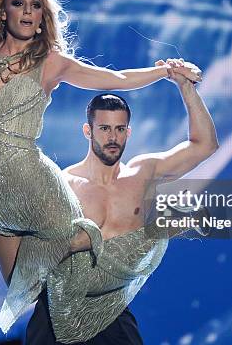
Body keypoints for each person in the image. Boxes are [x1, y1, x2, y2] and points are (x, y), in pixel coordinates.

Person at [0, 0, 202, 334]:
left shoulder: (51, 63)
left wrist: (165, 71)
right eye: (18, 3)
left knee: (78, 250)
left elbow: (119, 79)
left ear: (42, 19)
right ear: (2, 13)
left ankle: (147, 238)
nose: (28, 11)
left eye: (36, 6)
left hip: (34, 177)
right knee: (24, 288)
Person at [25, 69, 218, 343]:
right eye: (104, 128)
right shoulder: (64, 184)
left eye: (119, 129)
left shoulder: (141, 175)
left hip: (111, 312)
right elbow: (36, 253)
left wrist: (186, 88)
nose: (112, 138)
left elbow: (205, 144)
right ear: (88, 130)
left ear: (128, 132)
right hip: (57, 313)